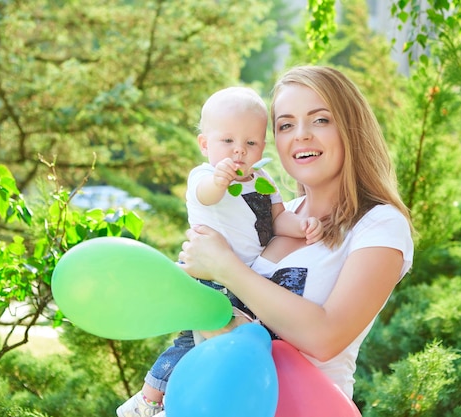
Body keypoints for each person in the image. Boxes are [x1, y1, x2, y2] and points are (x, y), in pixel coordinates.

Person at [177, 65, 415, 401]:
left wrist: (225, 267)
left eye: (320, 119)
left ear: (351, 128)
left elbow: (325, 336)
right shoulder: (274, 215)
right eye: (286, 125)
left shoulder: (379, 224)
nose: (301, 135)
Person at [116, 86, 323, 417]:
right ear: (205, 144)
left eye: (250, 143)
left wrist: (302, 227)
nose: (239, 151)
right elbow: (207, 196)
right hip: (208, 277)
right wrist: (221, 179)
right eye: (228, 142)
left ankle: (191, 401)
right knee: (189, 341)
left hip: (243, 280)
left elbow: (278, 219)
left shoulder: (264, 180)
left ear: (262, 147)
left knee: (220, 346)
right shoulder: (204, 176)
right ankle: (147, 400)